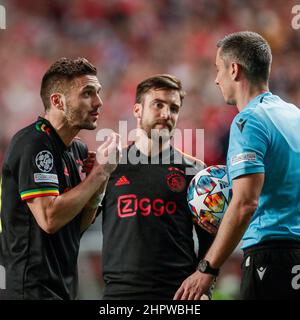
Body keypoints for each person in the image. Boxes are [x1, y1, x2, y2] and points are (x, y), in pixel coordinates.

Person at [174, 31, 300, 300]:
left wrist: (208, 267)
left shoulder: (249, 122)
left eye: (218, 69)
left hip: (271, 256)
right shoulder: (295, 115)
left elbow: (245, 203)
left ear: (234, 69)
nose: (216, 79)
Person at [0, 57, 120, 300]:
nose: (98, 102)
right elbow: (49, 218)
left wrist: (100, 179)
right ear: (57, 101)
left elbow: (78, 224)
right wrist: (99, 173)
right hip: (27, 289)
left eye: (97, 92)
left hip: (62, 287)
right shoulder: (32, 143)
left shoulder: (77, 150)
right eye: (87, 93)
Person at [98, 74, 214, 300]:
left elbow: (209, 238)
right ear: (137, 110)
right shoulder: (110, 166)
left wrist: (205, 288)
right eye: (158, 105)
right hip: (120, 295)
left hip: (178, 296)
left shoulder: (195, 170)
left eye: (173, 108)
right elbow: (82, 222)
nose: (166, 114)